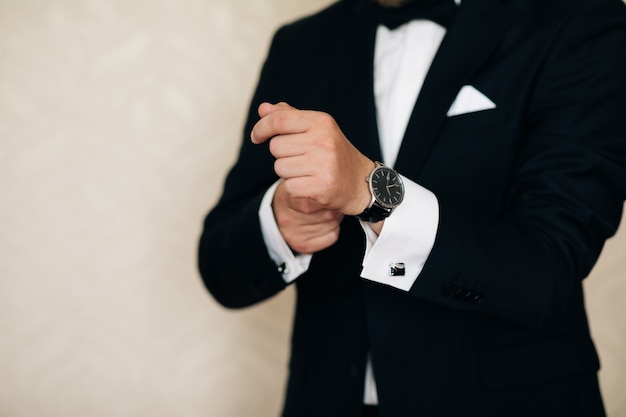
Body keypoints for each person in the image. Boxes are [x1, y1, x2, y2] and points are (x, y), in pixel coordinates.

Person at [197, 0, 626, 415]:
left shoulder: (580, 19)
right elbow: (220, 267)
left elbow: (550, 266)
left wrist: (372, 193)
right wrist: (279, 223)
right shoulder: (300, 43)